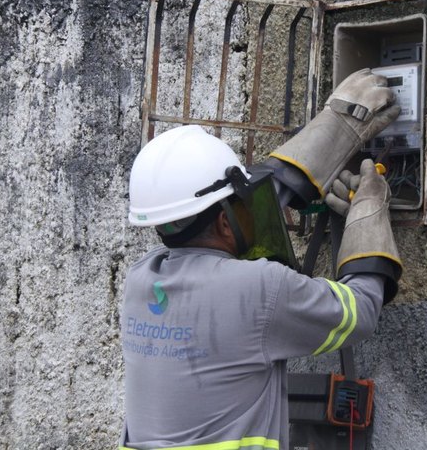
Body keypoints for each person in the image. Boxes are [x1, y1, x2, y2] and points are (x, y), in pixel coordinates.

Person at [119, 69, 402, 450]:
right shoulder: (258, 289)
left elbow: (228, 207)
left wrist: (337, 125)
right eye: (243, 206)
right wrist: (370, 210)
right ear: (224, 220)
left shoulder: (141, 280)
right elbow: (362, 309)